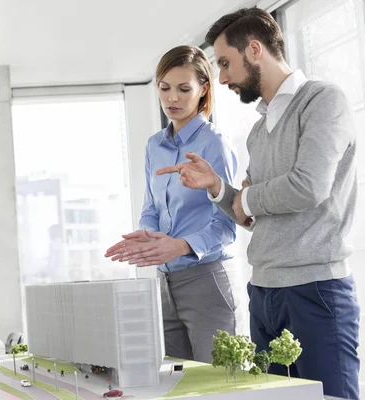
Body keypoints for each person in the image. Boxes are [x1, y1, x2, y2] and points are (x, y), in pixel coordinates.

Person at [154, 8, 359, 399]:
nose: (224, 77)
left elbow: (308, 187)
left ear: (254, 49)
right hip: (264, 292)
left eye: (226, 64)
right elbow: (252, 216)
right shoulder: (258, 131)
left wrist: (248, 196)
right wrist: (218, 188)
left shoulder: (322, 100)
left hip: (315, 289)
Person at [104, 45, 240, 364]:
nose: (172, 99)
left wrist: (179, 247)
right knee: (173, 382)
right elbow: (151, 207)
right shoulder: (155, 144)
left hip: (204, 279)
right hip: (162, 284)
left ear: (203, 89)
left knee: (218, 383)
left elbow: (227, 224)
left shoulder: (213, 143)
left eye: (183, 89)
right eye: (165, 88)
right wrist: (148, 239)